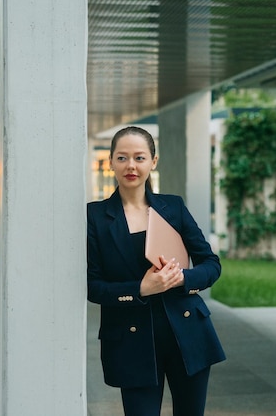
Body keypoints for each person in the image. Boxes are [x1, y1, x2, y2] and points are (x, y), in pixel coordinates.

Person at [87, 126, 226, 416]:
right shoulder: (95, 216)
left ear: (153, 161)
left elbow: (211, 264)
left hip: (188, 336)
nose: (131, 166)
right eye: (122, 158)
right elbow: (92, 286)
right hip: (130, 342)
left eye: (139, 157)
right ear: (110, 161)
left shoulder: (173, 207)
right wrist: (140, 289)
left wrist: (183, 278)